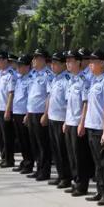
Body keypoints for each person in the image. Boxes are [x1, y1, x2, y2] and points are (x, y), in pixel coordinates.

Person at [82, 49, 104, 206]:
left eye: (93, 62)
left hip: (100, 127)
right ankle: (100, 190)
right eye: (89, 62)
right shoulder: (94, 81)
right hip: (91, 125)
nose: (90, 65)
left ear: (102, 63)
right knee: (97, 162)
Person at [63, 49, 93, 196]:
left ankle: (82, 184)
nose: (68, 63)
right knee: (71, 155)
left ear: (79, 62)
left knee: (79, 155)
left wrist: (82, 123)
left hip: (78, 123)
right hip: (69, 121)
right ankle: (75, 181)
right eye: (67, 61)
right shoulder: (70, 81)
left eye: (71, 61)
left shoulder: (84, 81)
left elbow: (86, 104)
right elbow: (68, 104)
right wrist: (65, 122)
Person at [26, 48, 54, 181]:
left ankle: (45, 171)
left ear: (42, 59)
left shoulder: (48, 74)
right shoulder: (32, 74)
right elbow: (30, 95)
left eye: (36, 58)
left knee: (43, 144)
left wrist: (46, 114)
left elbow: (49, 95)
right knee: (34, 143)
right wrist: (27, 113)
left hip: (40, 113)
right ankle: (38, 168)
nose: (33, 61)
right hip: (31, 112)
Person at [45, 52, 72, 188]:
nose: (52, 65)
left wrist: (66, 120)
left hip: (61, 119)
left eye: (56, 63)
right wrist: (46, 114)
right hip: (52, 117)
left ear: (63, 64)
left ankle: (66, 177)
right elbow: (49, 98)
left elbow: (68, 103)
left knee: (63, 150)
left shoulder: (67, 79)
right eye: (52, 63)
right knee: (55, 149)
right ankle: (60, 175)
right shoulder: (54, 79)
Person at [0, 50, 16, 168]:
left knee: (7, 136)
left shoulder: (11, 74)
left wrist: (7, 110)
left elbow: (11, 93)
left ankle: (9, 159)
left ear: (5, 60)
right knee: (0, 135)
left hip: (6, 109)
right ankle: (3, 157)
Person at [12, 55, 34, 174]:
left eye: (20, 65)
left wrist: (27, 114)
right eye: (18, 65)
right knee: (20, 140)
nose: (18, 67)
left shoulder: (30, 79)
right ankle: (24, 161)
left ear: (27, 66)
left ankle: (29, 163)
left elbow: (30, 99)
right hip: (16, 111)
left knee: (26, 140)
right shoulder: (19, 78)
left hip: (24, 113)